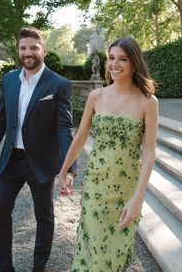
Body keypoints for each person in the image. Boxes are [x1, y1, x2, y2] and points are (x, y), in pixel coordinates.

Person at [59, 37, 158, 271]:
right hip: (95, 186)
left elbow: (149, 153)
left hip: (126, 190)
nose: (114, 64)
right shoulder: (97, 96)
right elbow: (81, 137)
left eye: (122, 59)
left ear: (134, 63)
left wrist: (137, 199)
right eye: (111, 58)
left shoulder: (148, 102)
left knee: (113, 256)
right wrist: (63, 171)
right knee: (91, 252)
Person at [0, 27, 76, 272]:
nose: (28, 53)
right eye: (23, 48)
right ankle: (4, 267)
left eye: (33, 48)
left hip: (40, 162)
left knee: (44, 217)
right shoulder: (8, 81)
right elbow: (0, 121)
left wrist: (68, 167)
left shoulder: (59, 84)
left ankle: (39, 267)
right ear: (18, 50)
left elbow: (64, 128)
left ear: (44, 50)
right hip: (10, 161)